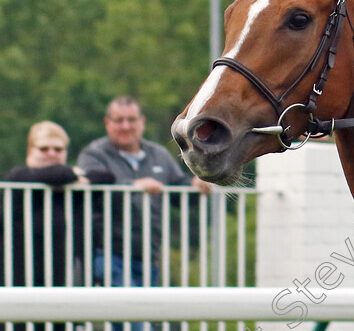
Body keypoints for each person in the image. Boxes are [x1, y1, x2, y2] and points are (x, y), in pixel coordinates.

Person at [77, 96, 211, 288]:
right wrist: (133, 186)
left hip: (149, 254)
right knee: (129, 314)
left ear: (142, 123)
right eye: (118, 120)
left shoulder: (159, 154)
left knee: (144, 314)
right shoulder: (93, 154)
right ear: (107, 123)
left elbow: (177, 188)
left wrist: (196, 184)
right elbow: (92, 188)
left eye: (131, 120)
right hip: (107, 253)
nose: (125, 126)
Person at [1, 122, 114, 330]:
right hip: (19, 286)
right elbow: (60, 174)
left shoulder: (73, 187)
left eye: (58, 149)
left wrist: (80, 179)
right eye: (43, 148)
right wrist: (75, 176)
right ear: (29, 151)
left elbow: (107, 177)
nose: (51, 153)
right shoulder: (19, 178)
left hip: (63, 287)